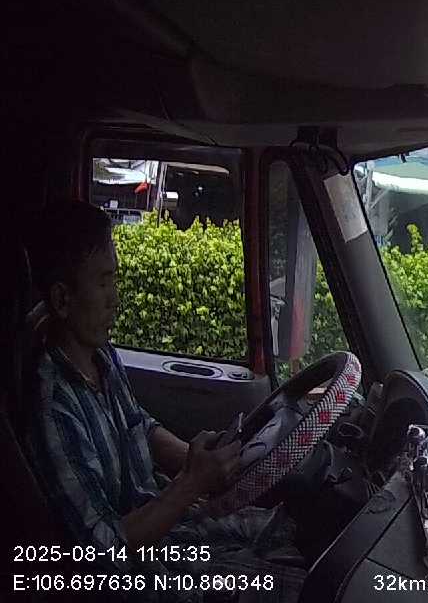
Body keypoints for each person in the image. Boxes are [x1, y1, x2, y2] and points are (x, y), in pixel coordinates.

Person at [22, 200, 304, 602]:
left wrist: (194, 458)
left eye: (115, 280)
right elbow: (99, 553)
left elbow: (136, 423)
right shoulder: (53, 407)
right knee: (295, 588)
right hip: (136, 576)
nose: (115, 298)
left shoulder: (100, 355)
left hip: (167, 527)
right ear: (63, 299)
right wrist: (191, 485)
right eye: (103, 283)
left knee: (291, 531)